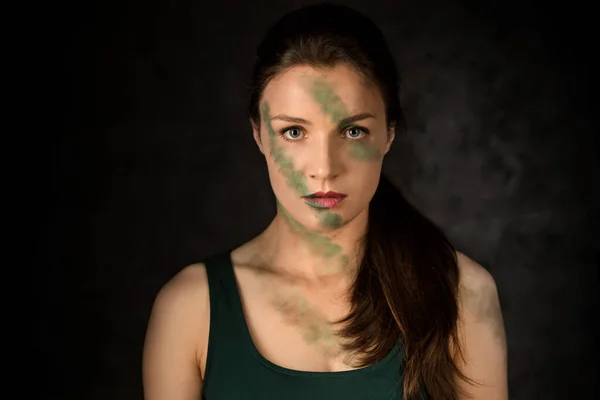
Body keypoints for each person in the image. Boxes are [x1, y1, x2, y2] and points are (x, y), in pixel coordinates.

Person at [142, 3, 508, 399]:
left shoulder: (461, 294)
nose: (323, 168)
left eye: (352, 131)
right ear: (259, 135)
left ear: (388, 133)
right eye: (294, 132)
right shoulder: (189, 308)